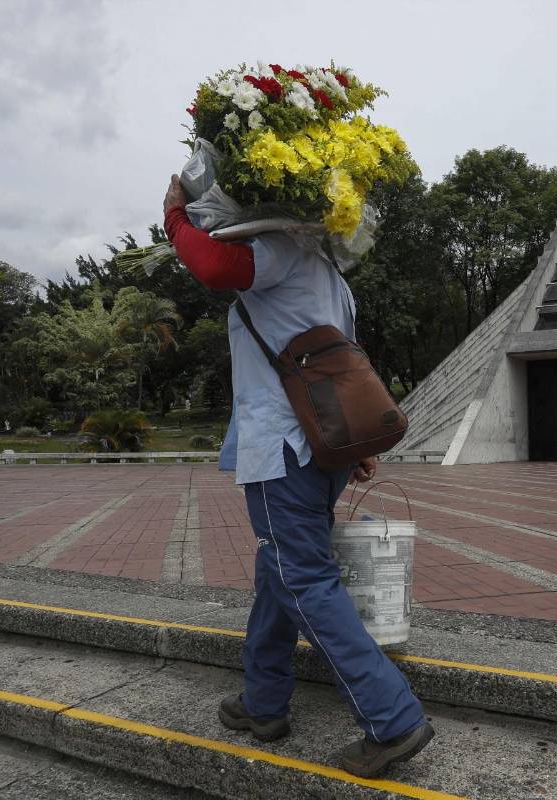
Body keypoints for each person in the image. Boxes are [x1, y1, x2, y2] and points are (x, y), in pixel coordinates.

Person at [162, 176, 434, 778]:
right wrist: (353, 448)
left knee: (301, 576)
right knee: (277, 570)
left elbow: (209, 265)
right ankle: (264, 703)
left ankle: (393, 719)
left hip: (284, 450)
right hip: (319, 448)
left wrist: (175, 217)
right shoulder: (330, 277)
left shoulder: (279, 251)